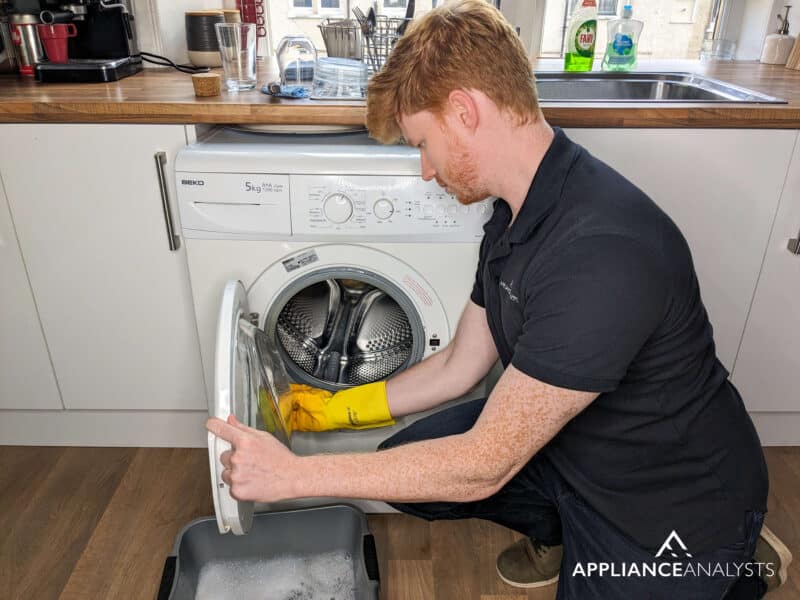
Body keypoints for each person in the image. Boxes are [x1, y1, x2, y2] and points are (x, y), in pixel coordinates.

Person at [206, 1, 792, 597]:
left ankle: (729, 564)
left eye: (423, 144)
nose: (426, 170)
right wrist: (337, 408)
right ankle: (568, 530)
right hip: (578, 446)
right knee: (412, 466)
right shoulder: (514, 214)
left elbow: (483, 464)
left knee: (470, 471)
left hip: (667, 503)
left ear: (463, 111)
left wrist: (295, 476)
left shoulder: (602, 253)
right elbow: (462, 362)